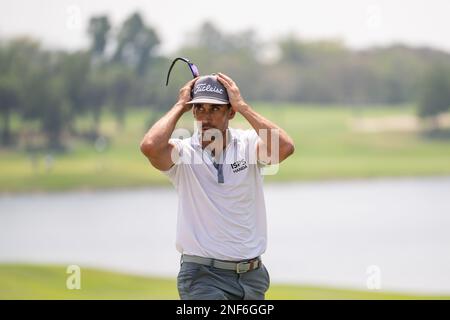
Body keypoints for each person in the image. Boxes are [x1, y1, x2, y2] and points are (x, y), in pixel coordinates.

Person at [140, 73, 295, 300]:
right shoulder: (183, 152)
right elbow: (151, 146)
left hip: (252, 279)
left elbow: (285, 147)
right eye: (199, 108)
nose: (205, 117)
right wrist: (180, 104)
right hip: (203, 277)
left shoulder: (248, 145)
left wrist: (243, 106)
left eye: (214, 109)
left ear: (230, 112)